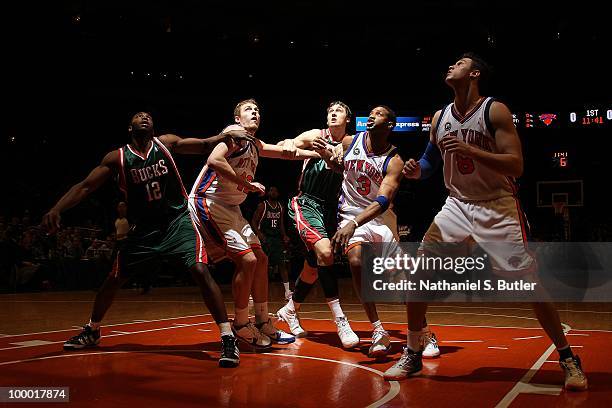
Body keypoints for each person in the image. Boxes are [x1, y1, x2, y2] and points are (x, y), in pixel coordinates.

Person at [385, 53, 588, 391]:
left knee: (529, 285)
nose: (451, 66)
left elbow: (516, 165)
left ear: (475, 73)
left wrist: (471, 150)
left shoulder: (494, 110)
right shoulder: (440, 117)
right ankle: (413, 350)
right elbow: (430, 160)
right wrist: (416, 170)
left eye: (459, 63)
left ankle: (568, 357)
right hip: (457, 204)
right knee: (418, 272)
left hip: (497, 206)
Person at [42, 112, 251, 368]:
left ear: (153, 126)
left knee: (199, 269)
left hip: (177, 222)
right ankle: (92, 330)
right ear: (130, 127)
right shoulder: (117, 158)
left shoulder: (166, 143)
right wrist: (57, 209)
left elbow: (205, 145)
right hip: (144, 230)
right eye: (139, 117)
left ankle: (227, 337)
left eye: (148, 116)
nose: (145, 117)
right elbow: (85, 186)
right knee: (114, 279)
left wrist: (226, 136)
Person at [189, 99, 320, 349]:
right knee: (247, 260)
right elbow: (214, 160)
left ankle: (261, 321)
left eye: (258, 110)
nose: (256, 113)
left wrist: (317, 153)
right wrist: (247, 185)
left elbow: (283, 152)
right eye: (249, 110)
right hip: (208, 202)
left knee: (261, 259)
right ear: (238, 118)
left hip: (231, 208)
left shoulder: (253, 143)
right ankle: (240, 325)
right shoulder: (233, 133)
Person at [275, 102, 359, 348]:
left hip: (332, 208)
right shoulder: (315, 136)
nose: (333, 113)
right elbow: (287, 143)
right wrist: (289, 144)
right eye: (330, 111)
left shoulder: (351, 144)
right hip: (307, 202)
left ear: (348, 118)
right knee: (325, 252)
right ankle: (341, 321)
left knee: (313, 266)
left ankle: (291, 309)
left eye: (339, 111)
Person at [325, 105, 403, 357]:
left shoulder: (395, 160)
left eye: (379, 114)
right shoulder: (350, 141)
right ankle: (378, 330)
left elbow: (382, 202)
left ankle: (423, 332)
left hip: (379, 218)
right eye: (370, 113)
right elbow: (343, 168)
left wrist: (354, 223)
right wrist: (328, 159)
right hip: (350, 213)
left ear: (390, 125)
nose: (371, 116)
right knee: (356, 261)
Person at [251, 186, 293, 301]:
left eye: (275, 190)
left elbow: (281, 224)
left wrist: (284, 235)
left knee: (282, 264)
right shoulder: (262, 206)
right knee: (261, 265)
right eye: (271, 190)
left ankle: (287, 292)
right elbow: (253, 221)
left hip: (276, 238)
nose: (273, 192)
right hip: (265, 237)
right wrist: (259, 233)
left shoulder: (280, 207)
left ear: (278, 193)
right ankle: (252, 292)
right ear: (268, 193)